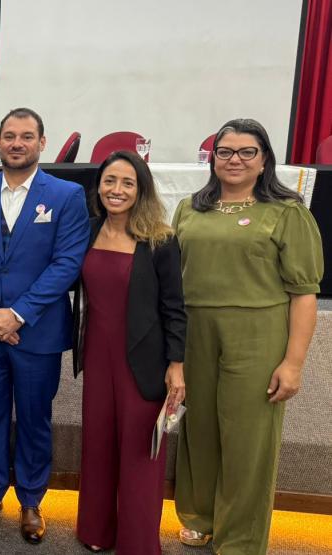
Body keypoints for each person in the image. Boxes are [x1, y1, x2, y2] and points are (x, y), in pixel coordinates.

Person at [173, 119, 323, 555]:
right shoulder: (189, 209)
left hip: (257, 333)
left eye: (246, 152)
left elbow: (304, 293)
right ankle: (200, 516)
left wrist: (293, 363)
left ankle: (240, 536)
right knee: (199, 428)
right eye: (225, 151)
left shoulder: (287, 212)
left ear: (264, 160)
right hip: (195, 331)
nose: (234, 160)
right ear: (213, 158)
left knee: (248, 436)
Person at [0, 107, 89, 543]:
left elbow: (67, 263)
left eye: (27, 136)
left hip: (37, 331)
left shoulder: (67, 195)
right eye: (10, 136)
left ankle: (32, 500)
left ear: (42, 143)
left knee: (35, 418)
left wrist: (16, 314)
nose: (17, 143)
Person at [72, 151, 186, 554]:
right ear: (98, 186)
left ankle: (137, 543)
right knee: (98, 444)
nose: (116, 190)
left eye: (127, 182)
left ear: (141, 190)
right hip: (97, 357)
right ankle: (96, 531)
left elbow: (175, 308)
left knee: (141, 454)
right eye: (109, 181)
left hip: (144, 361)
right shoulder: (88, 230)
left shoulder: (160, 240)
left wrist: (176, 365)